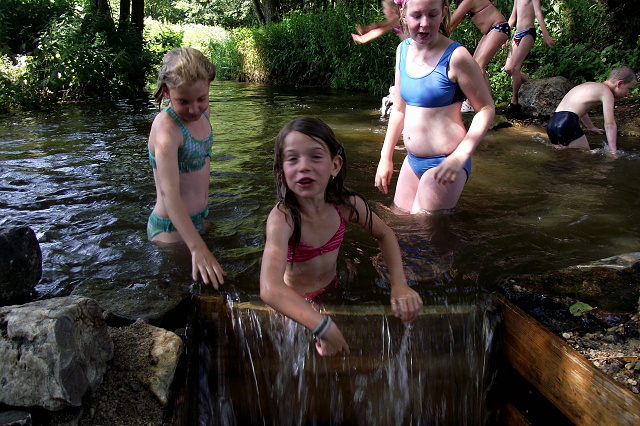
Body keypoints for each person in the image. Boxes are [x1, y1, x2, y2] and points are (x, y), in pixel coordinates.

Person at [260, 117, 423, 357]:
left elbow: (385, 234)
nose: (303, 166)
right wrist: (323, 326)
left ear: (335, 165)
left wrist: (399, 284)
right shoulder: (283, 219)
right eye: (292, 159)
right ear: (282, 171)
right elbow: (270, 289)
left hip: (332, 288)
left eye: (315, 156)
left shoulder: (346, 206)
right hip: (293, 300)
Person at [374, 0, 495, 214]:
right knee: (399, 221)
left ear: (443, 13)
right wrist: (386, 157)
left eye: (432, 15)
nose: (424, 23)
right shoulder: (403, 50)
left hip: (447, 161)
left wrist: (460, 156)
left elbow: (486, 109)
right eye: (417, 15)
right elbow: (399, 109)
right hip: (413, 160)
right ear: (403, 14)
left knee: (421, 228)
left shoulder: (457, 57)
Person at [147, 47, 226, 288]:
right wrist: (197, 247)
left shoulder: (202, 114)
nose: (193, 109)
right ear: (166, 92)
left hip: (199, 220)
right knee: (187, 292)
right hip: (171, 231)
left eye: (201, 98)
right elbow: (169, 194)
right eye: (183, 101)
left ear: (208, 86)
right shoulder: (167, 130)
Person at [546, 66, 637, 155]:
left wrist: (591, 127)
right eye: (629, 89)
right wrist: (613, 151)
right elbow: (610, 124)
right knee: (585, 159)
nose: (628, 94)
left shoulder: (589, 85)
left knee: (563, 157)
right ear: (619, 83)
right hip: (567, 123)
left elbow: (582, 109)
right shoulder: (606, 92)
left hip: (552, 124)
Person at [450, 0, 511, 112]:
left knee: (477, 66)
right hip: (492, 30)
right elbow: (454, 23)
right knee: (476, 64)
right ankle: (489, 104)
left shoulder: (468, 1)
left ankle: (470, 102)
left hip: (498, 27)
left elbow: (452, 22)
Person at [503, 0, 555, 114]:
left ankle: (514, 103)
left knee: (514, 68)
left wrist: (546, 35)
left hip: (528, 33)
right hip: (517, 34)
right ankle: (531, 85)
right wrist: (504, 34)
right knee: (508, 68)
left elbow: (538, 13)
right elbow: (512, 17)